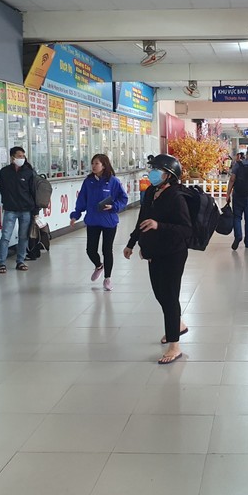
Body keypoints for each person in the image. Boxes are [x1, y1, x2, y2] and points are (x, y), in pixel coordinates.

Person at [124, 154, 192, 365]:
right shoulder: (152, 191)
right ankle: (177, 325)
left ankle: (175, 345)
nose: (152, 174)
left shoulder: (176, 196)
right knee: (160, 294)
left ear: (169, 175)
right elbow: (142, 219)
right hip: (154, 252)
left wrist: (158, 225)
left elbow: (185, 229)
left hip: (173, 253)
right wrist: (132, 242)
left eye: (157, 170)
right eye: (152, 169)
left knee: (170, 297)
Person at [69, 154, 128, 290]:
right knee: (90, 250)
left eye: (97, 163)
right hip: (93, 221)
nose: (94, 166)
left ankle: (108, 278)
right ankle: (98, 265)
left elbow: (123, 198)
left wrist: (114, 207)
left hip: (109, 221)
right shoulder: (88, 182)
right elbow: (82, 200)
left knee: (107, 250)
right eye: (93, 163)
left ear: (104, 165)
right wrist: (75, 215)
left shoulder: (113, 181)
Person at [0, 146, 38, 273]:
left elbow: (33, 191)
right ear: (12, 157)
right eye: (19, 156)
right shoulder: (4, 172)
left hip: (26, 209)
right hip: (10, 209)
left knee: (23, 236)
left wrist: (35, 211)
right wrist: (6, 202)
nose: (22, 158)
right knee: (5, 236)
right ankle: (1, 263)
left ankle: (20, 261)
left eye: (23, 156)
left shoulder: (29, 172)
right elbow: (2, 189)